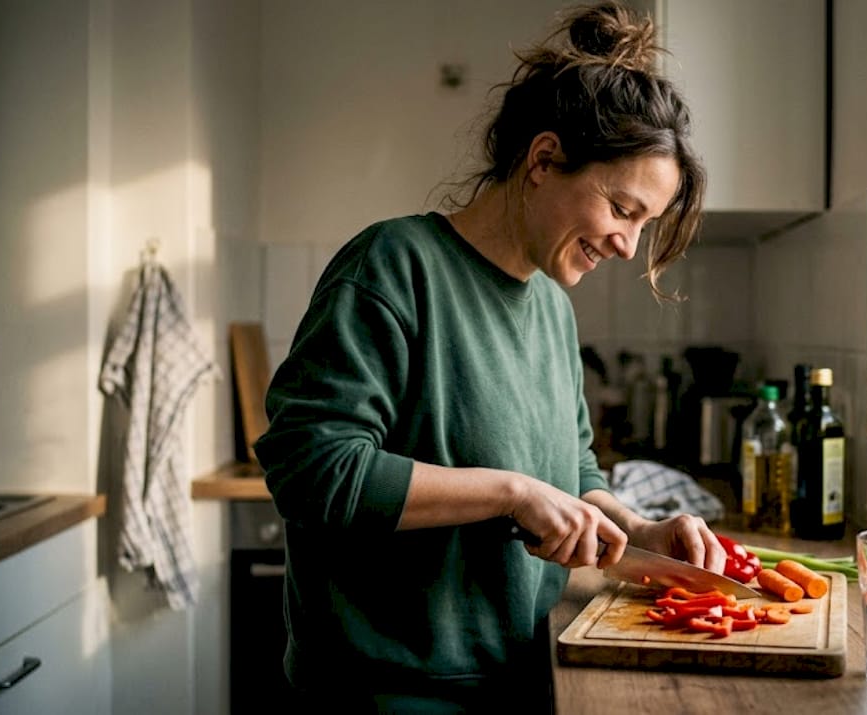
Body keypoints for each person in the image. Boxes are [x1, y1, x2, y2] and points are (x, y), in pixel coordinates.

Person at [253, 3, 719, 711]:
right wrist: (512, 491)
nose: (629, 245)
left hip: (520, 682)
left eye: (644, 225)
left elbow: (574, 471)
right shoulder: (393, 266)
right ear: (543, 159)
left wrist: (640, 529)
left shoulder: (553, 310)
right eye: (623, 210)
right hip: (386, 697)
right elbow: (311, 467)